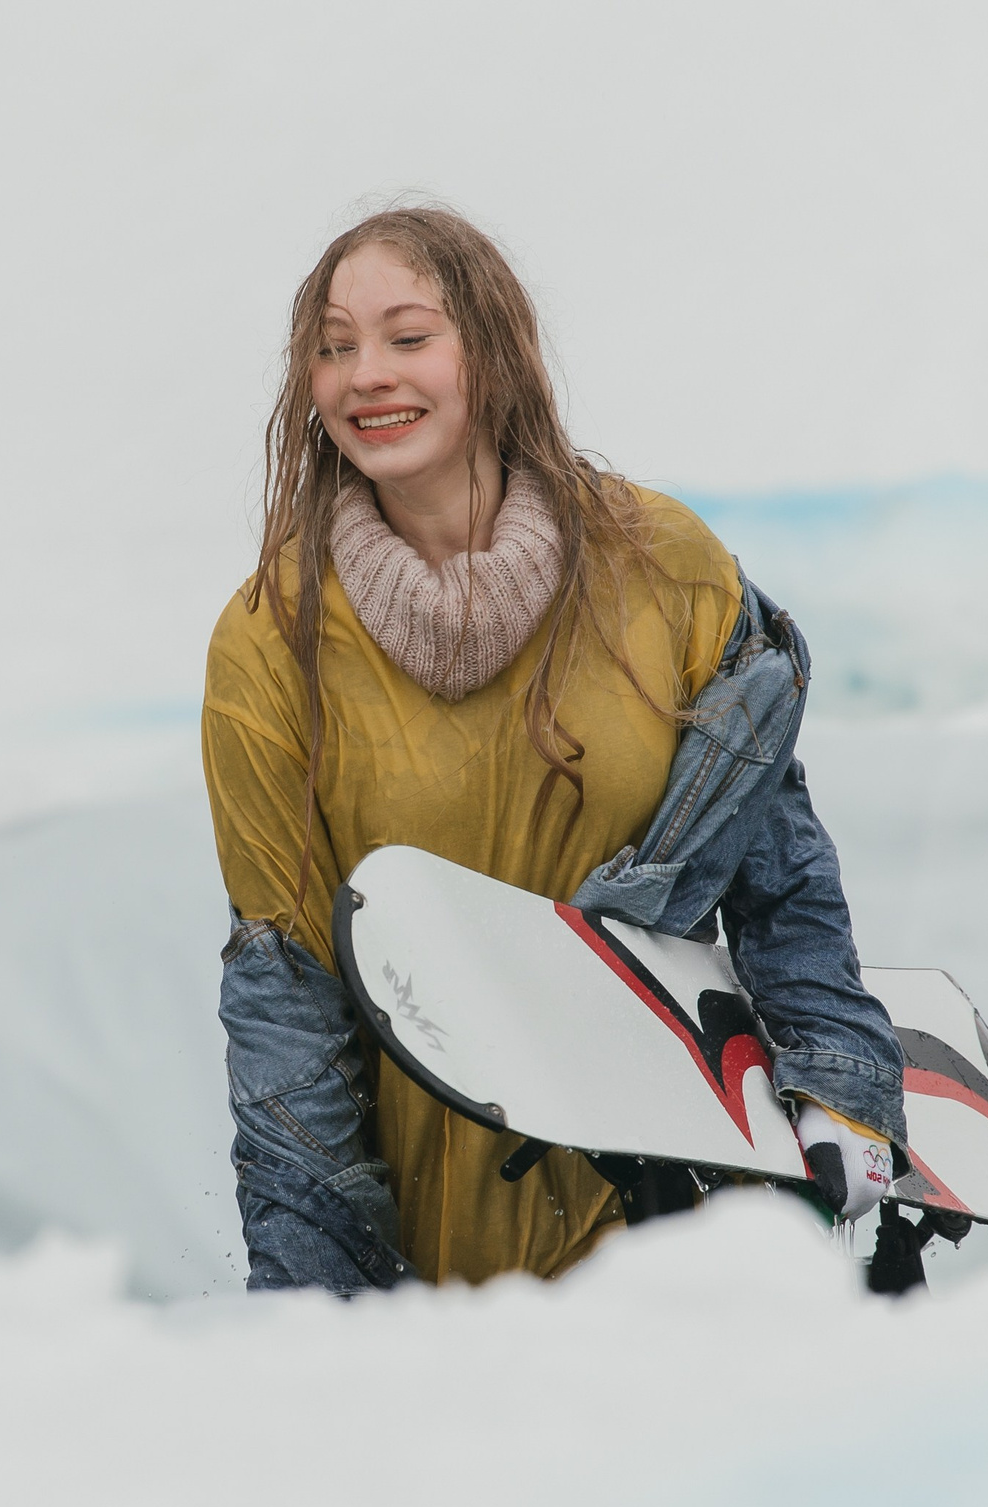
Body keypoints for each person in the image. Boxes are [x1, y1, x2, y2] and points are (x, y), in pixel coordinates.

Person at [202, 206, 903, 1292]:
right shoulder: (271, 641)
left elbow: (776, 870)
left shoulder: (663, 563)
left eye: (405, 335)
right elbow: (286, 994)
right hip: (449, 1263)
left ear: (490, 349)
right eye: (332, 346)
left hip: (690, 1229)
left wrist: (843, 1085)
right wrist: (317, 1303)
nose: (363, 376)